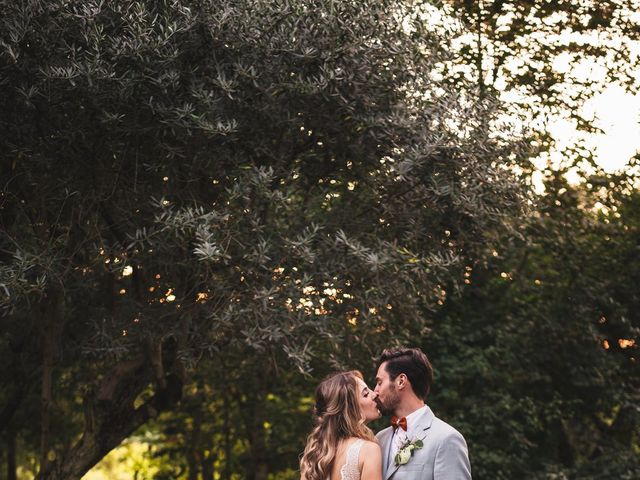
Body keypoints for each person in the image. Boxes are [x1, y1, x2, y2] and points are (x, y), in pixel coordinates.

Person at [374, 347, 471, 479]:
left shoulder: (447, 439)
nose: (375, 391)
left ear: (401, 381)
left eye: (380, 382)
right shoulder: (379, 439)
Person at [300, 370, 383, 480]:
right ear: (349, 408)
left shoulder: (315, 457)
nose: (375, 394)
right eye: (366, 394)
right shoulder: (368, 450)